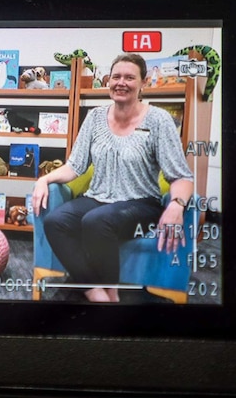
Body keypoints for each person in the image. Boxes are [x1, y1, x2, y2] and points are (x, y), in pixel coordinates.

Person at [32, 53, 194, 302]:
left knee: (96, 221)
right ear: (109, 81)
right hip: (98, 197)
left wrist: (177, 204)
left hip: (140, 202)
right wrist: (44, 180)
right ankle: (96, 292)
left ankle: (113, 293)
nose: (121, 82)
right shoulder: (95, 117)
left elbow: (181, 176)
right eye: (116, 76)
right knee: (56, 221)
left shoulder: (159, 120)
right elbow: (74, 166)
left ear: (143, 82)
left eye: (130, 77)